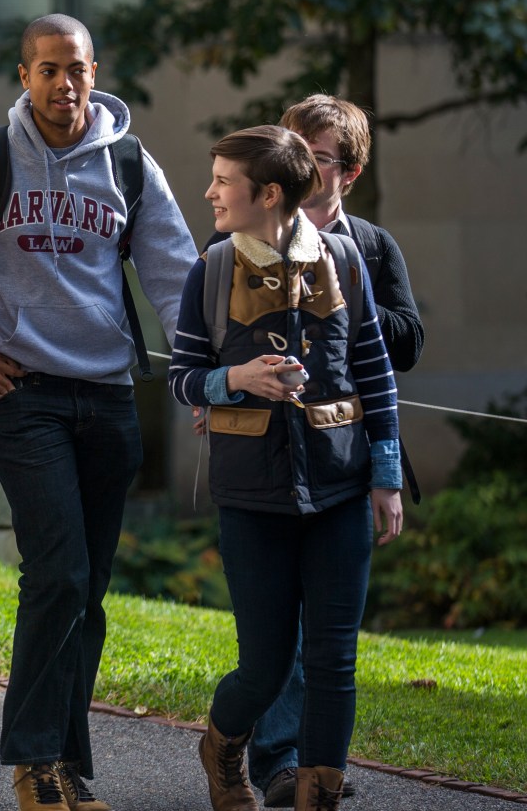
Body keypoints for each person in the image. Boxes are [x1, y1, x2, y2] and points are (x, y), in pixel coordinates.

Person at [0, 13, 196, 811]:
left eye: (76, 68)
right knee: (58, 571)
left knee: (89, 586)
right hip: (23, 396)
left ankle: (65, 767)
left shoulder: (133, 166)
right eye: (47, 69)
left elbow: (176, 279)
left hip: (109, 398)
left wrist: (199, 377)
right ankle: (33, 761)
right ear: (23, 75)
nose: (64, 83)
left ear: (94, 71)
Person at [168, 125, 403, 811]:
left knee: (334, 660)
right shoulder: (208, 270)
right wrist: (235, 376)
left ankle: (317, 797)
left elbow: (375, 373)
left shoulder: (346, 262)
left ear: (267, 192)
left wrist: (384, 474)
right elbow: (182, 377)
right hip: (251, 496)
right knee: (266, 665)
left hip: (341, 486)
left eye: (222, 180)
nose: (210, 190)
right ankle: (222, 743)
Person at [245, 95, 424, 807]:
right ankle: (277, 761)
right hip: (267, 456)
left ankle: (319, 767)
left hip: (345, 458)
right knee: (275, 624)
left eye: (313, 154)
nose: (295, 162)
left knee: (329, 628)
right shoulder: (248, 237)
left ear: (345, 172)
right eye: (289, 147)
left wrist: (343, 287)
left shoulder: (372, 247)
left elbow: (406, 343)